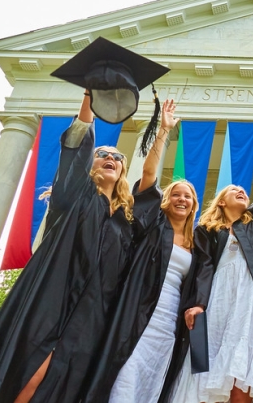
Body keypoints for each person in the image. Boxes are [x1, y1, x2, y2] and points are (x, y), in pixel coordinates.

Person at [0, 91, 160, 403]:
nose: (111, 158)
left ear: (123, 171)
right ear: (91, 165)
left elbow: (149, 187)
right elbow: (77, 144)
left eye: (118, 158)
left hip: (94, 311)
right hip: (54, 295)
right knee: (33, 368)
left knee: (68, 381)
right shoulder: (74, 195)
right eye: (102, 155)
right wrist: (89, 96)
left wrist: (162, 132)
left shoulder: (125, 222)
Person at [82, 100, 199, 401]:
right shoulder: (153, 224)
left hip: (169, 318)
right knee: (127, 368)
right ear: (166, 199)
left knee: (154, 375)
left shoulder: (196, 243)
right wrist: (163, 132)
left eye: (187, 196)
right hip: (139, 308)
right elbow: (148, 177)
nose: (181, 199)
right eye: (176, 194)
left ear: (194, 205)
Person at [168, 144, 253, 403]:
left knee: (239, 370)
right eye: (235, 190)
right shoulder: (207, 231)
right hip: (219, 298)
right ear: (221, 201)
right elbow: (204, 267)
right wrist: (197, 304)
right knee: (207, 366)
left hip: (250, 302)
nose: (242, 192)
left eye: (244, 191)